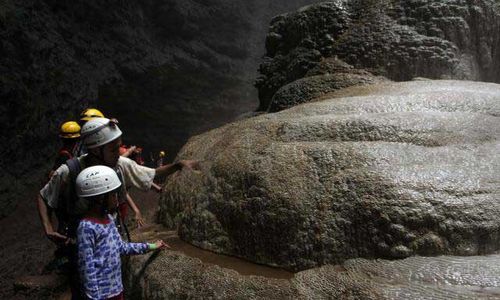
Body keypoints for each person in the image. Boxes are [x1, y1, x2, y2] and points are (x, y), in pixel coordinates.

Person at [37, 117, 197, 298]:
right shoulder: (69, 171)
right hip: (79, 242)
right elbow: (44, 195)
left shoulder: (119, 165)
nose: (117, 153)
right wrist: (48, 229)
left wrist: (178, 165)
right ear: (96, 149)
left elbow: (151, 173)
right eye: (113, 148)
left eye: (118, 146)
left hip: (108, 233)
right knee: (81, 284)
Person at [76, 165, 169, 300]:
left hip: (117, 291)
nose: (118, 199)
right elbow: (87, 268)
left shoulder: (108, 219)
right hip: (100, 296)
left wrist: (152, 246)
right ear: (100, 198)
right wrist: (94, 297)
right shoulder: (86, 227)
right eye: (113, 195)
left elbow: (121, 247)